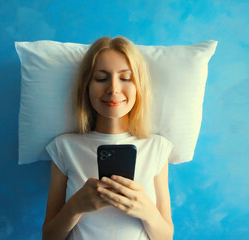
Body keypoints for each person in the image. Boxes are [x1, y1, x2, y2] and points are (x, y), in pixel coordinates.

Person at [42, 36, 174, 240]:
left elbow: (167, 236)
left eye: (125, 78)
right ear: (87, 87)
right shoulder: (64, 147)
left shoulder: (156, 147)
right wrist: (76, 206)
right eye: (101, 78)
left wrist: (148, 212)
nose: (113, 88)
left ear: (139, 86)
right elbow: (49, 237)